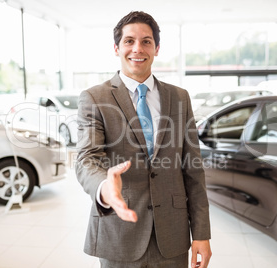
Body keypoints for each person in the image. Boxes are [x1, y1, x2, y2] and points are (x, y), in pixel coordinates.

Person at [75, 11, 212, 268]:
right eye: (129, 41)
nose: (137, 48)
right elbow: (87, 158)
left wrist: (202, 234)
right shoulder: (94, 97)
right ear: (116, 48)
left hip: (172, 235)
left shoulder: (179, 98)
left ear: (156, 48)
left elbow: (193, 169)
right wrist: (104, 189)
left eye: (146, 41)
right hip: (119, 233)